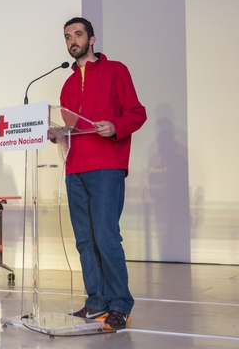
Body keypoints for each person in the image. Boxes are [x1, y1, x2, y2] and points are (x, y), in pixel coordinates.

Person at [59, 17, 147, 330]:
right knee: (85, 240)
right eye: (67, 36)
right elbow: (71, 128)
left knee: (106, 236)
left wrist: (115, 126)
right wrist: (58, 134)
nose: (72, 40)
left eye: (78, 34)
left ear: (92, 39)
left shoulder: (116, 71)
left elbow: (137, 113)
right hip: (75, 169)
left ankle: (120, 305)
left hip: (106, 166)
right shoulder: (67, 84)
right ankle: (96, 302)